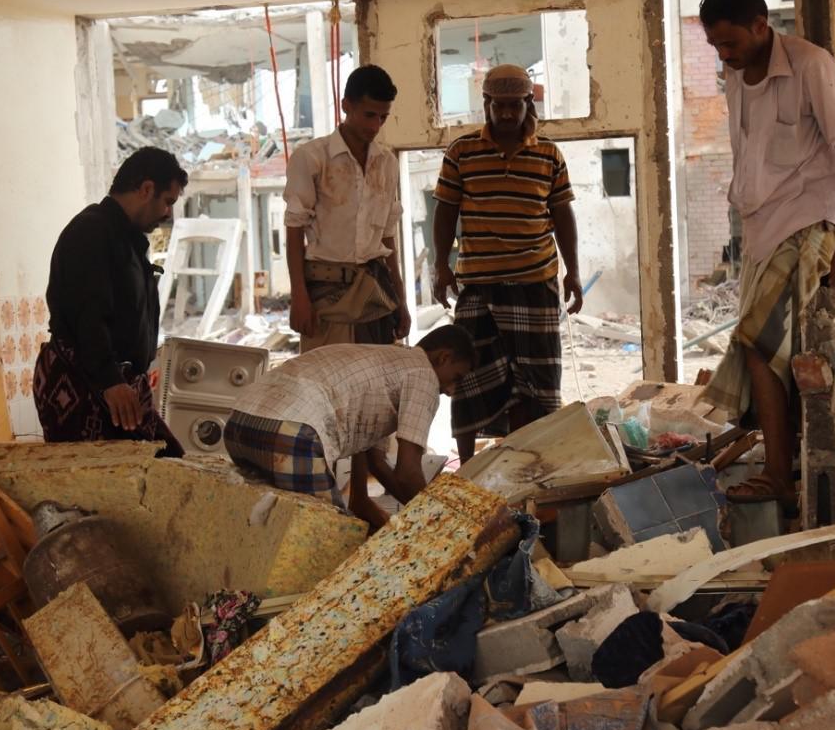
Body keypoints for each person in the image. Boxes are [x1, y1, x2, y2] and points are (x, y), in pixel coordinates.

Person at [697, 0, 835, 510]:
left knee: (755, 341)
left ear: (759, 26)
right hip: (761, 229)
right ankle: (787, 465)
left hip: (812, 217)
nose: (724, 56)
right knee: (766, 353)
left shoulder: (811, 65)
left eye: (731, 44)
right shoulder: (733, 75)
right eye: (716, 47)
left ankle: (777, 475)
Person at [431, 63, 584, 460]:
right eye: (498, 105)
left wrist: (574, 272)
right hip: (479, 286)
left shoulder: (549, 154)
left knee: (537, 382)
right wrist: (440, 266)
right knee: (469, 379)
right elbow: (445, 211)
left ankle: (533, 462)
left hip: (535, 284)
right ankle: (466, 466)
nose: (506, 114)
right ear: (486, 103)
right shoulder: (461, 151)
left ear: (527, 103)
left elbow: (563, 216)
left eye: (514, 105)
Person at [222, 325, 475, 529]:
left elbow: (376, 463)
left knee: (270, 528)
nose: (451, 391)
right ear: (444, 358)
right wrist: (442, 522)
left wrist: (364, 504)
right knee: (328, 538)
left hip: (240, 424)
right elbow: (407, 474)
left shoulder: (388, 362)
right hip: (289, 433)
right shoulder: (423, 376)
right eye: (456, 378)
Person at [33, 146, 188, 452]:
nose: (168, 213)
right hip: (85, 384)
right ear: (146, 189)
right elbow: (88, 315)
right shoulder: (91, 232)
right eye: (167, 201)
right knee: (98, 486)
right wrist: (110, 381)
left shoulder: (125, 238)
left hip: (114, 382)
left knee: (166, 462)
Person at [284, 65, 410, 353]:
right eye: (369, 115)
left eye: (383, 117)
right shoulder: (312, 158)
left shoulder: (386, 163)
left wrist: (401, 301)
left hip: (376, 292)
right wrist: (299, 298)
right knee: (330, 387)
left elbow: (387, 237)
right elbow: (294, 231)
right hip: (326, 294)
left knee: (376, 387)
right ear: (346, 106)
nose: (375, 126)